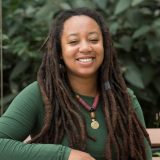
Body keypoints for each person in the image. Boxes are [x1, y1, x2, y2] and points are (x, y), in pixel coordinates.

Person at [0, 7, 152, 160]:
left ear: (105, 47)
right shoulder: (39, 94)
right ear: (60, 51)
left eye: (93, 40)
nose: (86, 48)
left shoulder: (124, 98)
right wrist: (64, 155)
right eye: (73, 42)